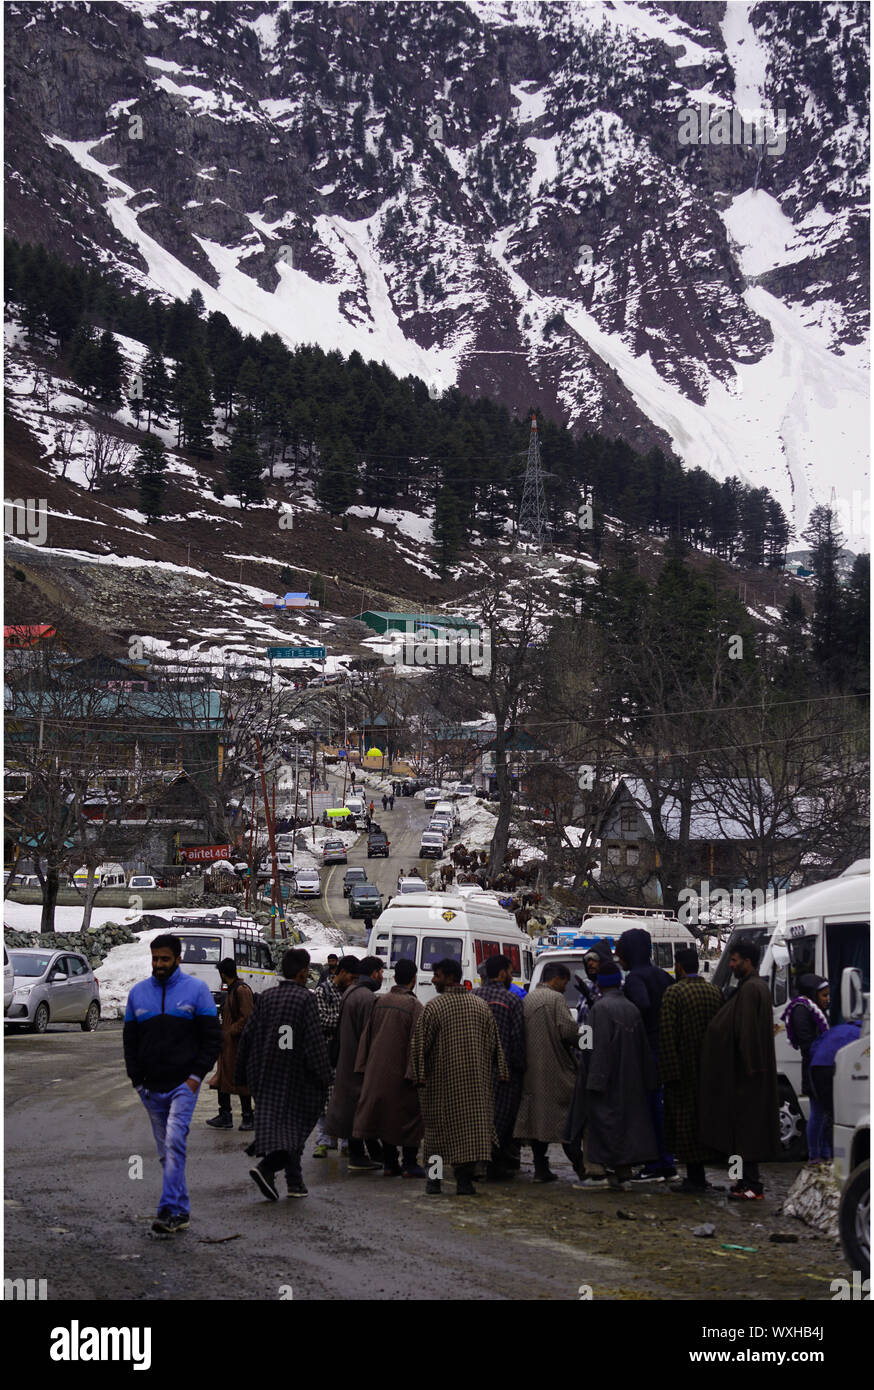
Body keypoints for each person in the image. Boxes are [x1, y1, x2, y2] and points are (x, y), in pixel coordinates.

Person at [123, 934, 222, 1237]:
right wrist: (138, 1082)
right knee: (167, 1152)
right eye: (155, 959)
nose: (159, 964)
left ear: (178, 959)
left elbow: (212, 1038)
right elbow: (130, 1042)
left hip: (183, 1085)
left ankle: (167, 1209)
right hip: (150, 1088)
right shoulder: (137, 994)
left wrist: (195, 1077)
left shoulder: (197, 991)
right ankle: (181, 1210)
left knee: (174, 1141)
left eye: (165, 959)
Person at [236, 948, 332, 1200]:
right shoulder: (306, 999)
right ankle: (267, 1167)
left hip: (265, 1074)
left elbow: (247, 1035)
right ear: (303, 973)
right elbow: (313, 1042)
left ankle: (295, 1181)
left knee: (282, 1128)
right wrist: (324, 1075)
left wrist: (241, 1074)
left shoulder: (266, 997)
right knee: (294, 1130)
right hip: (295, 1079)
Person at [407, 958, 508, 1196]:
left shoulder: (434, 1007)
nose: (433, 980)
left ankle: (434, 1183)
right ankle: (465, 1183)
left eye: (437, 975)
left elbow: (419, 1047)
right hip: (476, 1087)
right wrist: (501, 1073)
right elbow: (497, 1045)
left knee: (436, 1137)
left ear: (450, 977)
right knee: (470, 1136)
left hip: (440, 1087)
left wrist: (418, 1077)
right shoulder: (480, 1006)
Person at [566, 951, 658, 1190]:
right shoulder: (631, 1008)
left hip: (603, 1077)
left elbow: (592, 1046)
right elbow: (643, 1049)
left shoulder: (599, 1010)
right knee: (624, 1125)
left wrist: (592, 1078)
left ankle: (596, 1174)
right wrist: (648, 1078)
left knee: (596, 1125)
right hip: (630, 1078)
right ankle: (622, 1171)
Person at [698, 937, 780, 1200]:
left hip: (746, 1076)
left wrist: (745, 1066)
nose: (731, 965)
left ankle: (752, 1186)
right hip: (747, 1074)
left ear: (747, 962)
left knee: (747, 1133)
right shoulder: (752, 987)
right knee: (741, 1132)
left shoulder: (750, 990)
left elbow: (745, 1033)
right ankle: (742, 1181)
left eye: (734, 961)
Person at [657, 946, 724, 1192]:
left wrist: (667, 1074)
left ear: (680, 967)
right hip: (710, 1069)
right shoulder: (715, 991)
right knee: (704, 1121)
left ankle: (694, 1178)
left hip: (682, 1070)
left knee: (685, 1125)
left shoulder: (674, 993)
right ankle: (701, 1175)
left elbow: (667, 1035)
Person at [353, 958, 425, 1177]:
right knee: (410, 1119)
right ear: (414, 979)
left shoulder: (380, 1001)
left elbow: (366, 1037)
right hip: (402, 1073)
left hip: (376, 1070)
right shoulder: (414, 1006)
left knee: (384, 1118)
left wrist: (363, 1066)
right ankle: (410, 1164)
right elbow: (417, 1043)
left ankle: (390, 1163)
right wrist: (416, 1074)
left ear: (394, 978)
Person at [616, 927, 676, 1181]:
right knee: (662, 1108)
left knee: (650, 1109)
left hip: (647, 1052)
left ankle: (657, 1165)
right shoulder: (662, 975)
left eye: (621, 951)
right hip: (667, 1049)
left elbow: (641, 1005)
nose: (618, 957)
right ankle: (666, 1161)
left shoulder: (634, 979)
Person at [513, 962, 579, 1183]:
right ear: (557, 979)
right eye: (565, 982)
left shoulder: (528, 999)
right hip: (556, 1070)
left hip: (532, 1070)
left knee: (537, 1122)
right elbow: (568, 1031)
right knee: (565, 1123)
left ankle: (541, 1169)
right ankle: (582, 1168)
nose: (565, 987)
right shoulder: (556, 999)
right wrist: (589, 1039)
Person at [324, 955, 385, 1169]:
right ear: (375, 973)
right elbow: (370, 1036)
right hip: (359, 1062)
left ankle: (372, 1153)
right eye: (381, 972)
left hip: (346, 1057)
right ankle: (359, 1156)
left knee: (352, 1107)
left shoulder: (351, 992)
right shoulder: (367, 998)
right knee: (361, 1108)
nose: (383, 976)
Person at [474, 955, 527, 1179]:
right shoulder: (512, 1001)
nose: (512, 976)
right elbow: (517, 1042)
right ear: (503, 973)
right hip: (503, 1075)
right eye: (511, 971)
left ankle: (475, 1162)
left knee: (476, 1117)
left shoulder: (472, 997)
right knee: (500, 1119)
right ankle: (494, 1164)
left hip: (474, 1070)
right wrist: (521, 1069)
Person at [312, 955, 359, 1157]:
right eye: (352, 976)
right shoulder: (323, 990)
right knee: (323, 1100)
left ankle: (345, 1142)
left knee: (345, 1099)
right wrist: (345, 1020)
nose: (353, 981)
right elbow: (322, 1020)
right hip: (326, 1052)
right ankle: (324, 1141)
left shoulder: (350, 991)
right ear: (342, 972)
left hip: (344, 1053)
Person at [781, 974, 830, 1161]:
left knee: (823, 1113)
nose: (827, 999)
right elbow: (806, 1043)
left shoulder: (811, 1008)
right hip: (814, 1067)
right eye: (824, 995)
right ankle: (816, 1155)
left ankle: (824, 1153)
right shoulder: (802, 1010)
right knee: (817, 1113)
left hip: (819, 1066)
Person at [205, 959, 255, 1131]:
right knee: (222, 1078)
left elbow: (247, 1018)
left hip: (238, 1045)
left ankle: (248, 1116)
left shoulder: (241, 990)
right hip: (227, 1045)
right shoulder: (233, 990)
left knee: (241, 1080)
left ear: (223, 974)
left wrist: (229, 1032)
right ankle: (225, 1114)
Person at [807, 1017, 863, 1166]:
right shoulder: (862, 1035)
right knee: (835, 1114)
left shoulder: (837, 1029)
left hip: (816, 1067)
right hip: (832, 1067)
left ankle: (818, 1155)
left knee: (822, 1110)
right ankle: (833, 1155)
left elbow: (814, 1047)